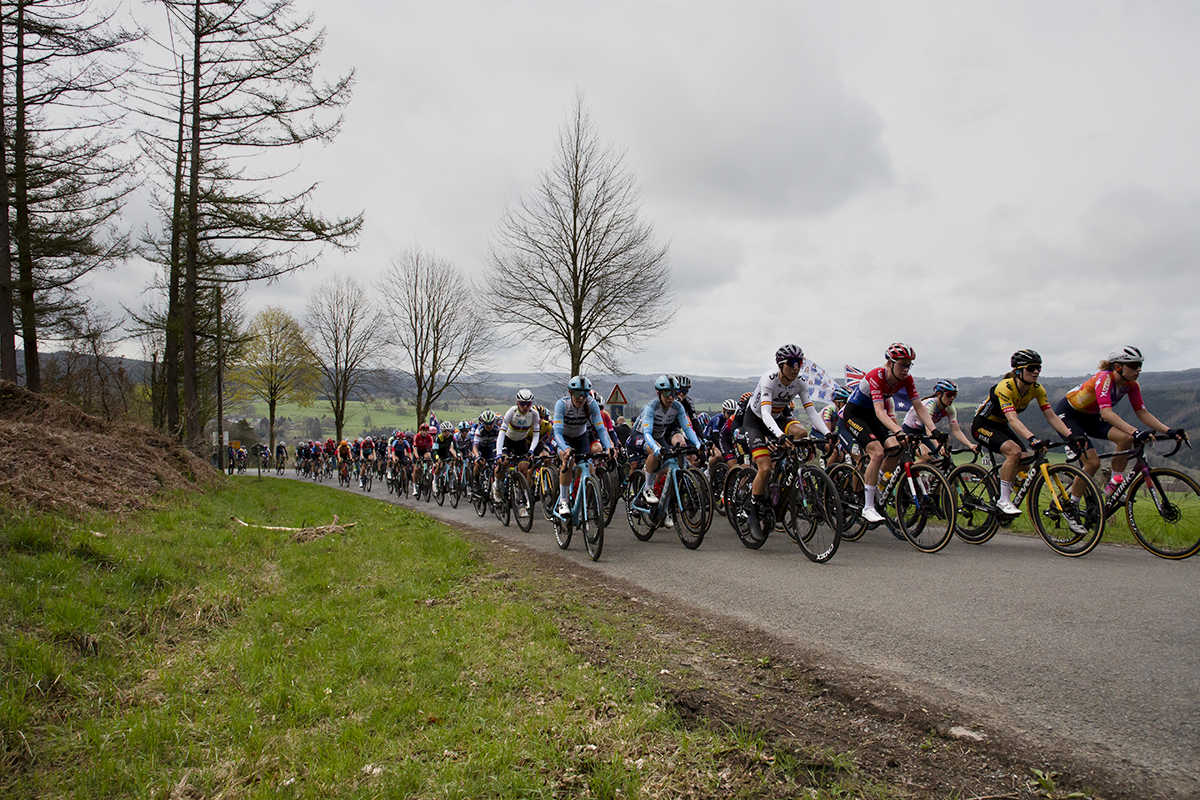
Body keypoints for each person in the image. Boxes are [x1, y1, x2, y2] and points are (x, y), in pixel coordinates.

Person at [1057, 345, 1185, 497]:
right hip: (1069, 415)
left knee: (1126, 438)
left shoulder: (1131, 385)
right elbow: (1106, 413)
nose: (1138, 370)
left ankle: (1114, 484)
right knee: (1093, 463)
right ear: (1117, 367)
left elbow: (1142, 413)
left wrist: (1169, 430)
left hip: (1090, 417)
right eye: (1133, 365)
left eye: (1140, 365)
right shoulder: (1105, 378)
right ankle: (1072, 504)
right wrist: (1136, 431)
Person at [971, 349, 1084, 516]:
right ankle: (1003, 501)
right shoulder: (1005, 387)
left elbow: (1051, 416)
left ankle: (1005, 487)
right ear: (1018, 371)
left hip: (1001, 425)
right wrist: (1032, 438)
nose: (1036, 371)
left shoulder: (1037, 389)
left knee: (1025, 460)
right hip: (982, 425)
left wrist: (1070, 435)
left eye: (1039, 367)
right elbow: (1013, 419)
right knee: (1014, 451)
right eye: (1031, 368)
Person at [842, 343, 938, 523]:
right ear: (890, 362)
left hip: (872, 416)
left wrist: (934, 430)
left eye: (909, 365)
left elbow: (918, 406)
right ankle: (868, 507)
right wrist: (898, 430)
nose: (906, 369)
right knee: (877, 453)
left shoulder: (907, 380)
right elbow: (880, 411)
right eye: (902, 364)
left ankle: (875, 483)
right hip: (855, 414)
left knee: (896, 448)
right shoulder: (876, 376)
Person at [741, 345, 833, 517]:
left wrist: (827, 433)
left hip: (778, 417)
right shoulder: (768, 380)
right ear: (780, 366)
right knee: (765, 468)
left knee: (801, 433)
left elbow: (811, 412)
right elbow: (765, 413)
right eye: (791, 363)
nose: (796, 367)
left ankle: (789, 470)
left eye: (799, 362)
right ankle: (751, 512)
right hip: (756, 421)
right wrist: (780, 436)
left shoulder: (800, 383)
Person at [632, 376, 704, 517]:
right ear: (659, 394)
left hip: (658, 437)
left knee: (672, 466)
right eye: (666, 393)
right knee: (655, 451)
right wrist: (655, 447)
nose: (671, 397)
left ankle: (664, 507)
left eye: (673, 393)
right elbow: (647, 433)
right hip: (640, 436)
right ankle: (647, 488)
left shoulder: (678, 407)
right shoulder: (651, 407)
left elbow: (688, 429)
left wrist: (697, 443)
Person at [551, 376, 614, 518]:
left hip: (580, 438)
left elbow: (601, 429)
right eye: (578, 393)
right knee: (568, 461)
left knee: (589, 468)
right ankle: (564, 500)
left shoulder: (591, 404)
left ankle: (582, 500)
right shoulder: (562, 404)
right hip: (563, 437)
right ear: (570, 392)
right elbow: (558, 433)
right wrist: (565, 448)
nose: (581, 397)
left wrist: (608, 446)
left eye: (585, 393)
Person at [901, 380, 979, 463]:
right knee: (928, 457)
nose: (952, 398)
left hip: (923, 431)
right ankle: (906, 474)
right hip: (910, 430)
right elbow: (928, 429)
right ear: (939, 394)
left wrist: (970, 445)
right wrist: (939, 446)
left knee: (937, 460)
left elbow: (956, 430)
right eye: (949, 395)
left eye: (954, 395)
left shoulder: (950, 409)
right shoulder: (930, 404)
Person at [494, 389, 541, 504]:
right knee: (503, 463)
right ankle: (497, 484)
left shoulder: (534, 414)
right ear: (517, 403)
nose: (525, 407)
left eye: (528, 404)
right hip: (507, 441)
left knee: (524, 469)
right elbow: (501, 433)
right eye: (522, 403)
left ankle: (521, 496)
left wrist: (531, 450)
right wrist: (498, 453)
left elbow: (536, 435)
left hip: (521, 442)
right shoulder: (512, 412)